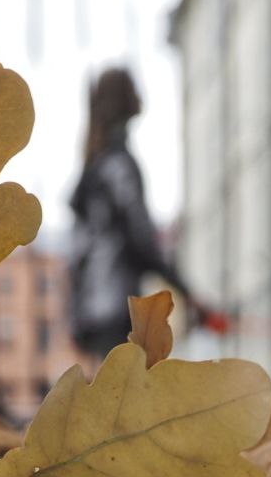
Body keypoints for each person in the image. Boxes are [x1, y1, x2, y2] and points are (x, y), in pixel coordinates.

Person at [68, 67, 218, 361]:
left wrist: (75, 313)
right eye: (134, 88)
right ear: (123, 100)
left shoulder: (94, 169)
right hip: (119, 308)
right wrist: (188, 292)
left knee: (111, 396)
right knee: (127, 397)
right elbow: (142, 242)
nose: (141, 95)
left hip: (94, 311)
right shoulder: (119, 167)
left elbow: (80, 256)